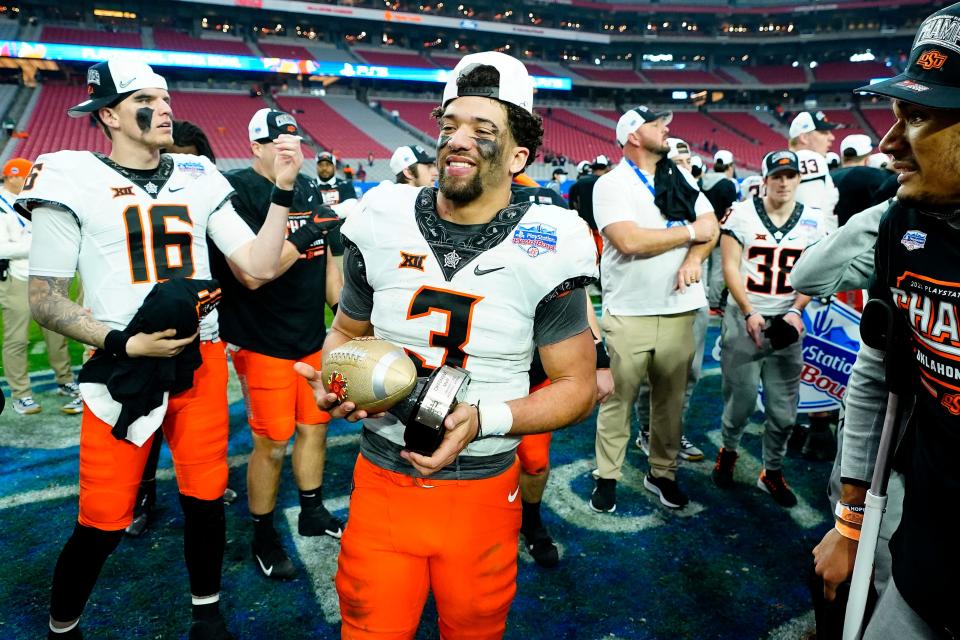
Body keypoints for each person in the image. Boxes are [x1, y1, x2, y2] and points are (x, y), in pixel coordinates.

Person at [297, 51, 599, 638]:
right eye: (449, 125)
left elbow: (576, 387)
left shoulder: (550, 239)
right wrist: (338, 379)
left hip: (483, 490)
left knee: (475, 629)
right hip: (382, 482)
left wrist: (482, 419)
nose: (457, 140)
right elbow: (346, 336)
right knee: (367, 627)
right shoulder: (381, 217)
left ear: (518, 156)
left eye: (483, 131)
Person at [16, 60, 298, 640]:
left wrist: (283, 194)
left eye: (166, 96)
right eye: (146, 98)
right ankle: (62, 626)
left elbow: (258, 266)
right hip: (121, 366)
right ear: (110, 114)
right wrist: (123, 340)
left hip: (202, 362)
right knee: (100, 520)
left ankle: (207, 610)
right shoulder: (71, 174)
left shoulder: (197, 172)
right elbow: (44, 298)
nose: (166, 107)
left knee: (203, 499)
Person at [812, 6, 960, 636]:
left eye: (920, 117)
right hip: (929, 544)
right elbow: (878, 374)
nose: (889, 143)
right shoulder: (905, 222)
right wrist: (849, 523)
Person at [209, 108, 345, 580]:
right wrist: (307, 230)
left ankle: (311, 508)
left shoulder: (310, 187)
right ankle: (262, 532)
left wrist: (345, 317)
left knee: (316, 429)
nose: (291, 150)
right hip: (262, 338)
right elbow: (253, 275)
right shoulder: (236, 192)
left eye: (296, 141)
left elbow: (329, 265)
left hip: (311, 335)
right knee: (271, 443)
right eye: (280, 142)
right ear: (256, 146)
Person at [591, 105, 718, 513]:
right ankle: (606, 476)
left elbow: (710, 227)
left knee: (670, 403)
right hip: (630, 310)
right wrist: (688, 232)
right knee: (618, 401)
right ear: (631, 135)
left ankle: (662, 473)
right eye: (655, 123)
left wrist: (694, 257)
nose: (665, 128)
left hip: (680, 308)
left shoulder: (676, 176)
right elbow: (629, 240)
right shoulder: (611, 184)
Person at [712, 150, 825, 507]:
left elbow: (816, 273)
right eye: (777, 176)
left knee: (783, 410)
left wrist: (796, 311)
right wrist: (747, 311)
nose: (784, 182)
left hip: (786, 324)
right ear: (764, 179)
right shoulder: (742, 214)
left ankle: (772, 470)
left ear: (798, 180)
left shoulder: (815, 220)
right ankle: (728, 451)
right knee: (741, 401)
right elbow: (730, 267)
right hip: (745, 319)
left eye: (790, 176)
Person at [634, 136, 707, 463]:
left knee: (689, 372)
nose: (682, 169)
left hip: (692, 296)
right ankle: (648, 432)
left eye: (686, 162)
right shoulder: (641, 196)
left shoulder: (697, 197)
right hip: (652, 296)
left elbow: (712, 233)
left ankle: (673, 431)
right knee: (655, 373)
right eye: (676, 163)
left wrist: (693, 257)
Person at [0, 157, 81, 416]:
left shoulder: (35, 199)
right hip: (18, 278)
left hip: (46, 277)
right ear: (11, 177)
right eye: (22, 176)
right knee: (17, 339)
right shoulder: (1, 206)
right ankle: (21, 393)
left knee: (56, 333)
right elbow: (2, 248)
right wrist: (38, 244)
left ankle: (65, 379)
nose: (25, 181)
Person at [787, 109, 842, 460]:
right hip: (809, 266)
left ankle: (796, 425)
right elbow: (816, 222)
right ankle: (815, 425)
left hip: (789, 267)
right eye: (823, 131)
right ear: (805, 136)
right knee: (814, 348)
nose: (830, 137)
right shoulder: (809, 160)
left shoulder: (795, 160)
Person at [701, 149, 739, 312]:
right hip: (719, 230)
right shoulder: (727, 184)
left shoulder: (702, 181)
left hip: (702, 228)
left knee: (703, 267)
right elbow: (730, 211)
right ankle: (714, 304)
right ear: (729, 166)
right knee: (717, 268)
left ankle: (702, 299)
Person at [831, 134, 897, 227]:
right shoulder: (871, 175)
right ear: (867, 159)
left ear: (842, 157)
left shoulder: (829, 175)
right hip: (857, 236)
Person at [315, 151, 358, 275]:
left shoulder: (344, 184)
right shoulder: (310, 185)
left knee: (341, 288)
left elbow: (350, 207)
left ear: (334, 166)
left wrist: (320, 213)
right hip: (316, 250)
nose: (324, 168)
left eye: (328, 165)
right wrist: (336, 211)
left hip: (340, 249)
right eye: (321, 165)